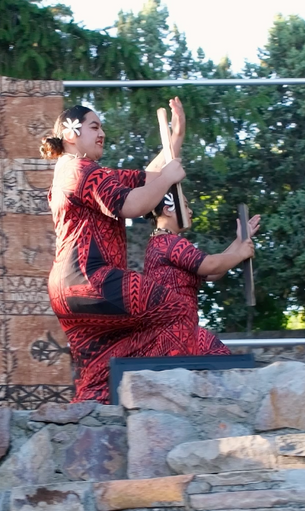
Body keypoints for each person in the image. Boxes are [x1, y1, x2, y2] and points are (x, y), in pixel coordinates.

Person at [45, 100, 228, 401]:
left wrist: (177, 137)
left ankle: (87, 417)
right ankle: (167, 398)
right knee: (178, 310)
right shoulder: (82, 170)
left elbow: (150, 178)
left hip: (65, 291)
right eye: (94, 126)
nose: (102, 132)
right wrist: (169, 178)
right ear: (70, 134)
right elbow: (132, 204)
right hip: (92, 281)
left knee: (100, 360)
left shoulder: (78, 174)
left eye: (101, 127)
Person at [143, 191, 259, 321]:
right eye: (185, 206)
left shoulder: (162, 242)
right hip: (172, 326)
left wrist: (239, 242)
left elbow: (213, 273)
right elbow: (210, 265)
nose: (190, 211)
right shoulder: (168, 242)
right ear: (167, 210)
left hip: (177, 325)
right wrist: (240, 253)